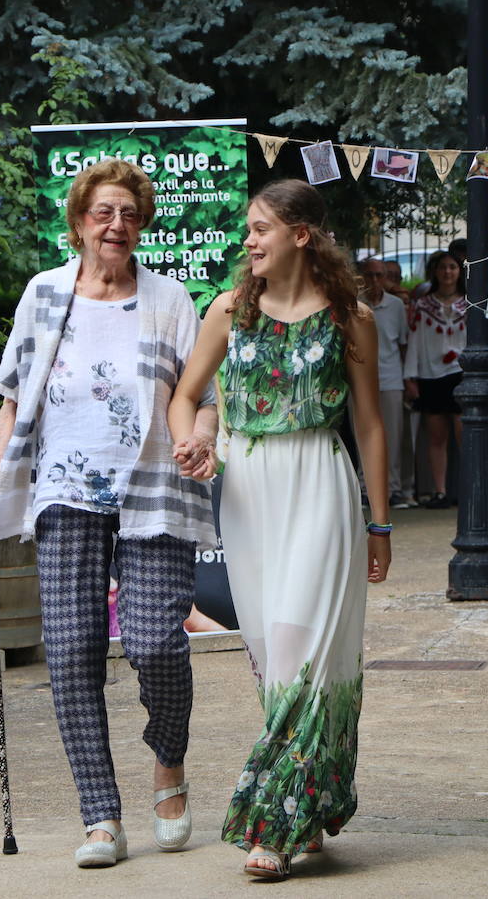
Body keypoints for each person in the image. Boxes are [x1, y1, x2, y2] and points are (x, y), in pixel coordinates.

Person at [0, 159, 218, 868]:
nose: (117, 226)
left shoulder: (170, 300)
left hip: (154, 484)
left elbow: (199, 393)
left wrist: (199, 434)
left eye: (130, 214)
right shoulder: (45, 294)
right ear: (79, 222)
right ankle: (100, 816)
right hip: (65, 488)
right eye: (104, 213)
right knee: (73, 651)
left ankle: (168, 761)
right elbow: (14, 398)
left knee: (156, 642)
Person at [168, 179, 391, 881]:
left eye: (262, 227)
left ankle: (269, 824)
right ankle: (316, 797)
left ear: (301, 235)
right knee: (271, 661)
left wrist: (380, 523)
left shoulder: (350, 317)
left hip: (319, 484)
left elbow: (370, 425)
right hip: (247, 492)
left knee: (302, 650)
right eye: (248, 228)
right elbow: (185, 395)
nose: (249, 239)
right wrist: (190, 441)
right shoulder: (230, 311)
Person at [404, 250, 468, 508]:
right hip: (431, 375)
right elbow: (415, 342)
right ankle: (440, 491)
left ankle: (468, 488)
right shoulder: (423, 306)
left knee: (465, 434)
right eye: (443, 267)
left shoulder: (469, 304)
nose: (448, 272)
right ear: (435, 271)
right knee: (437, 437)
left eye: (453, 267)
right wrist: (411, 376)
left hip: (460, 373)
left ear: (459, 271)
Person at [360, 257, 411, 509]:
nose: (375, 281)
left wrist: (406, 377)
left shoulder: (396, 305)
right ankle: (364, 487)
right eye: (370, 275)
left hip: (391, 376)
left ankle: (393, 488)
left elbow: (403, 344)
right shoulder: (355, 304)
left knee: (392, 435)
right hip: (360, 379)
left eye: (380, 275)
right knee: (362, 434)